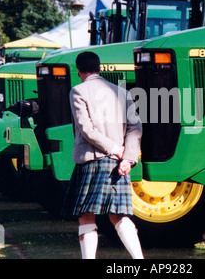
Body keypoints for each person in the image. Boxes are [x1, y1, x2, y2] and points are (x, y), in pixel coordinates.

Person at [62, 51, 144, 259]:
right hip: (118, 162)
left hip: (93, 161)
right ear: (100, 68)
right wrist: (128, 158)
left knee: (86, 216)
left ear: (78, 70)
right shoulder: (122, 92)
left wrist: (114, 149)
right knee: (118, 215)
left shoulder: (78, 91)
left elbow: (86, 130)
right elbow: (136, 127)